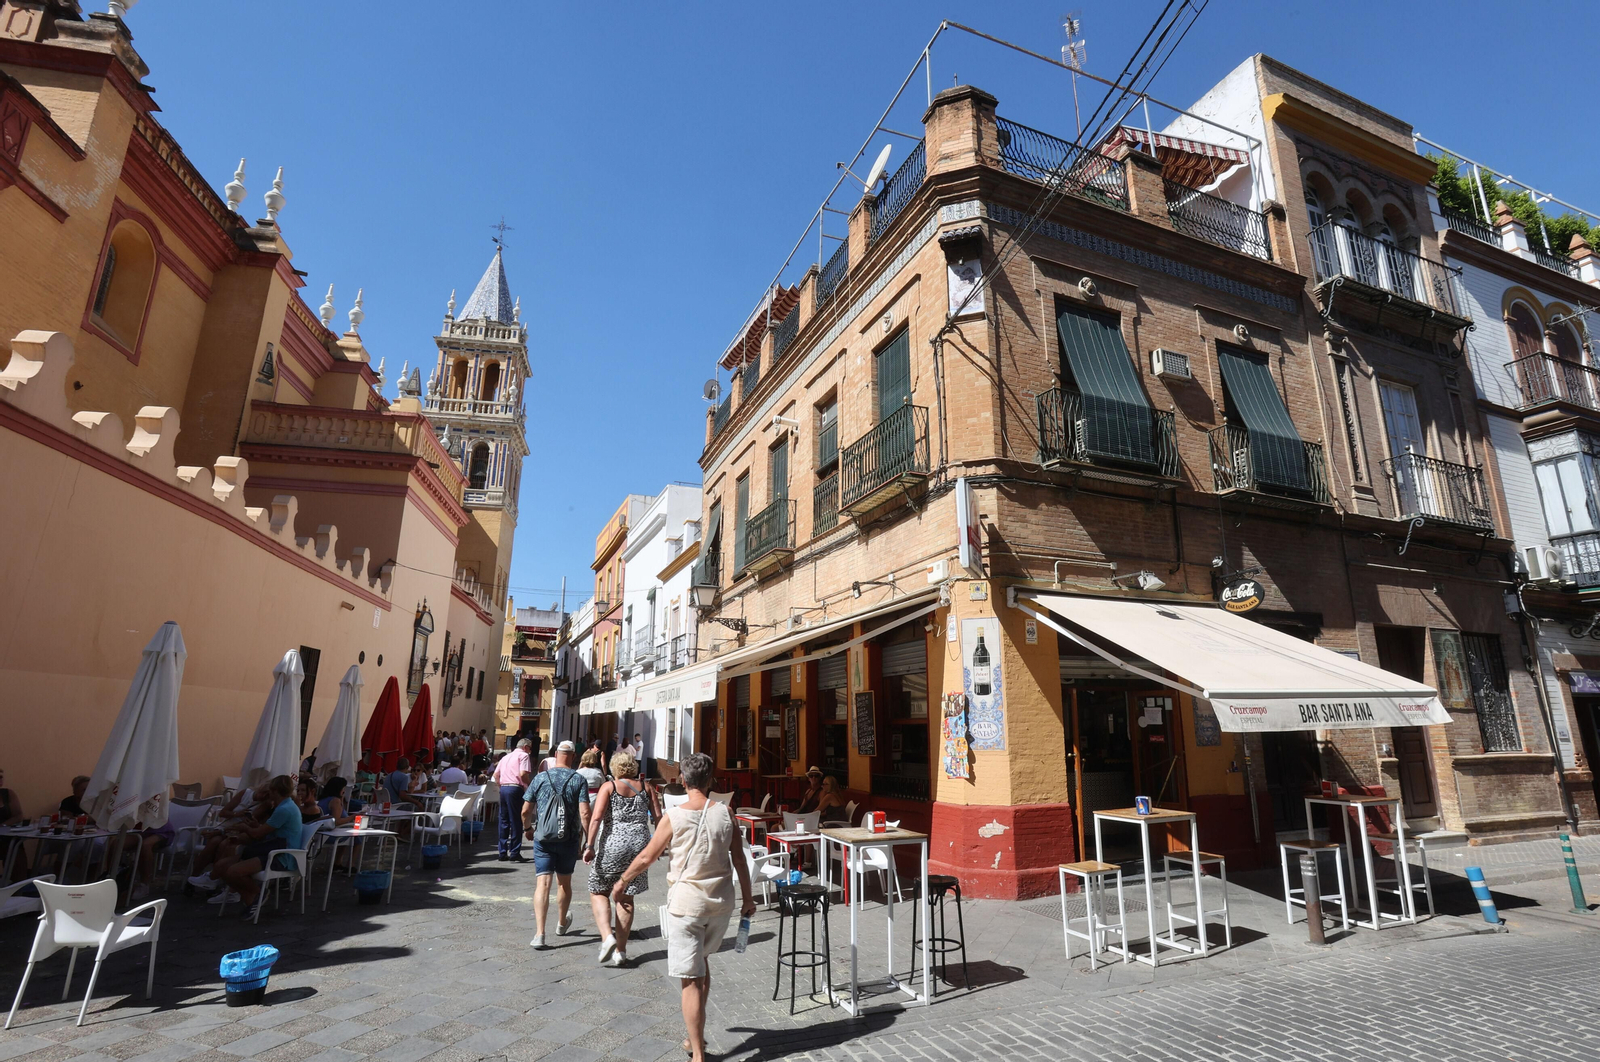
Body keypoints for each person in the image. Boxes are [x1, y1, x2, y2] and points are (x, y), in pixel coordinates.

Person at [610, 752, 754, 1062]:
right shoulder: (726, 813)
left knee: (690, 980)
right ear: (710, 780)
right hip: (720, 904)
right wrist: (749, 899)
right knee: (702, 964)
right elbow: (740, 859)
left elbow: (647, 856)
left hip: (687, 906)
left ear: (683, 781)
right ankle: (694, 1037)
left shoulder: (674, 817)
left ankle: (698, 1053)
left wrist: (622, 881)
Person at [584, 751, 657, 966]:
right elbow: (659, 817)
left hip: (613, 845)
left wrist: (589, 846)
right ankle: (621, 952)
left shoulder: (609, 787)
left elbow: (596, 818)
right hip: (640, 847)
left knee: (598, 890)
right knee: (626, 898)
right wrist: (659, 847)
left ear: (614, 767)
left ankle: (607, 936)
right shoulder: (647, 787)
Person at [523, 740, 590, 948]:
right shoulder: (578, 779)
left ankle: (540, 934)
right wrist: (589, 841)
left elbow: (525, 810)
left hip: (543, 838)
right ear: (573, 757)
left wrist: (528, 829)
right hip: (568, 839)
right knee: (564, 883)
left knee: (542, 884)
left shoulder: (541, 778)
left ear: (555, 755)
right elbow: (585, 813)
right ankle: (561, 924)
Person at [212, 774, 302, 916]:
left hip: (281, 856)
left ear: (275, 791)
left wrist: (245, 827)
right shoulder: (284, 806)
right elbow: (265, 831)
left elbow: (257, 835)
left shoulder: (284, 809)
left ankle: (258, 894)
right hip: (271, 849)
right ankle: (252, 903)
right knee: (221, 867)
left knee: (232, 872)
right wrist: (255, 826)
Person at [493, 738, 534, 862]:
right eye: (530, 748)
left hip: (504, 788)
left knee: (504, 820)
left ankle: (502, 851)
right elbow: (523, 774)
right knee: (516, 820)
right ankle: (515, 851)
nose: (530, 751)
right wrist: (530, 785)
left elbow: (496, 775)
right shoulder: (524, 756)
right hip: (515, 788)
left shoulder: (505, 757)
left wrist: (501, 786)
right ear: (525, 747)